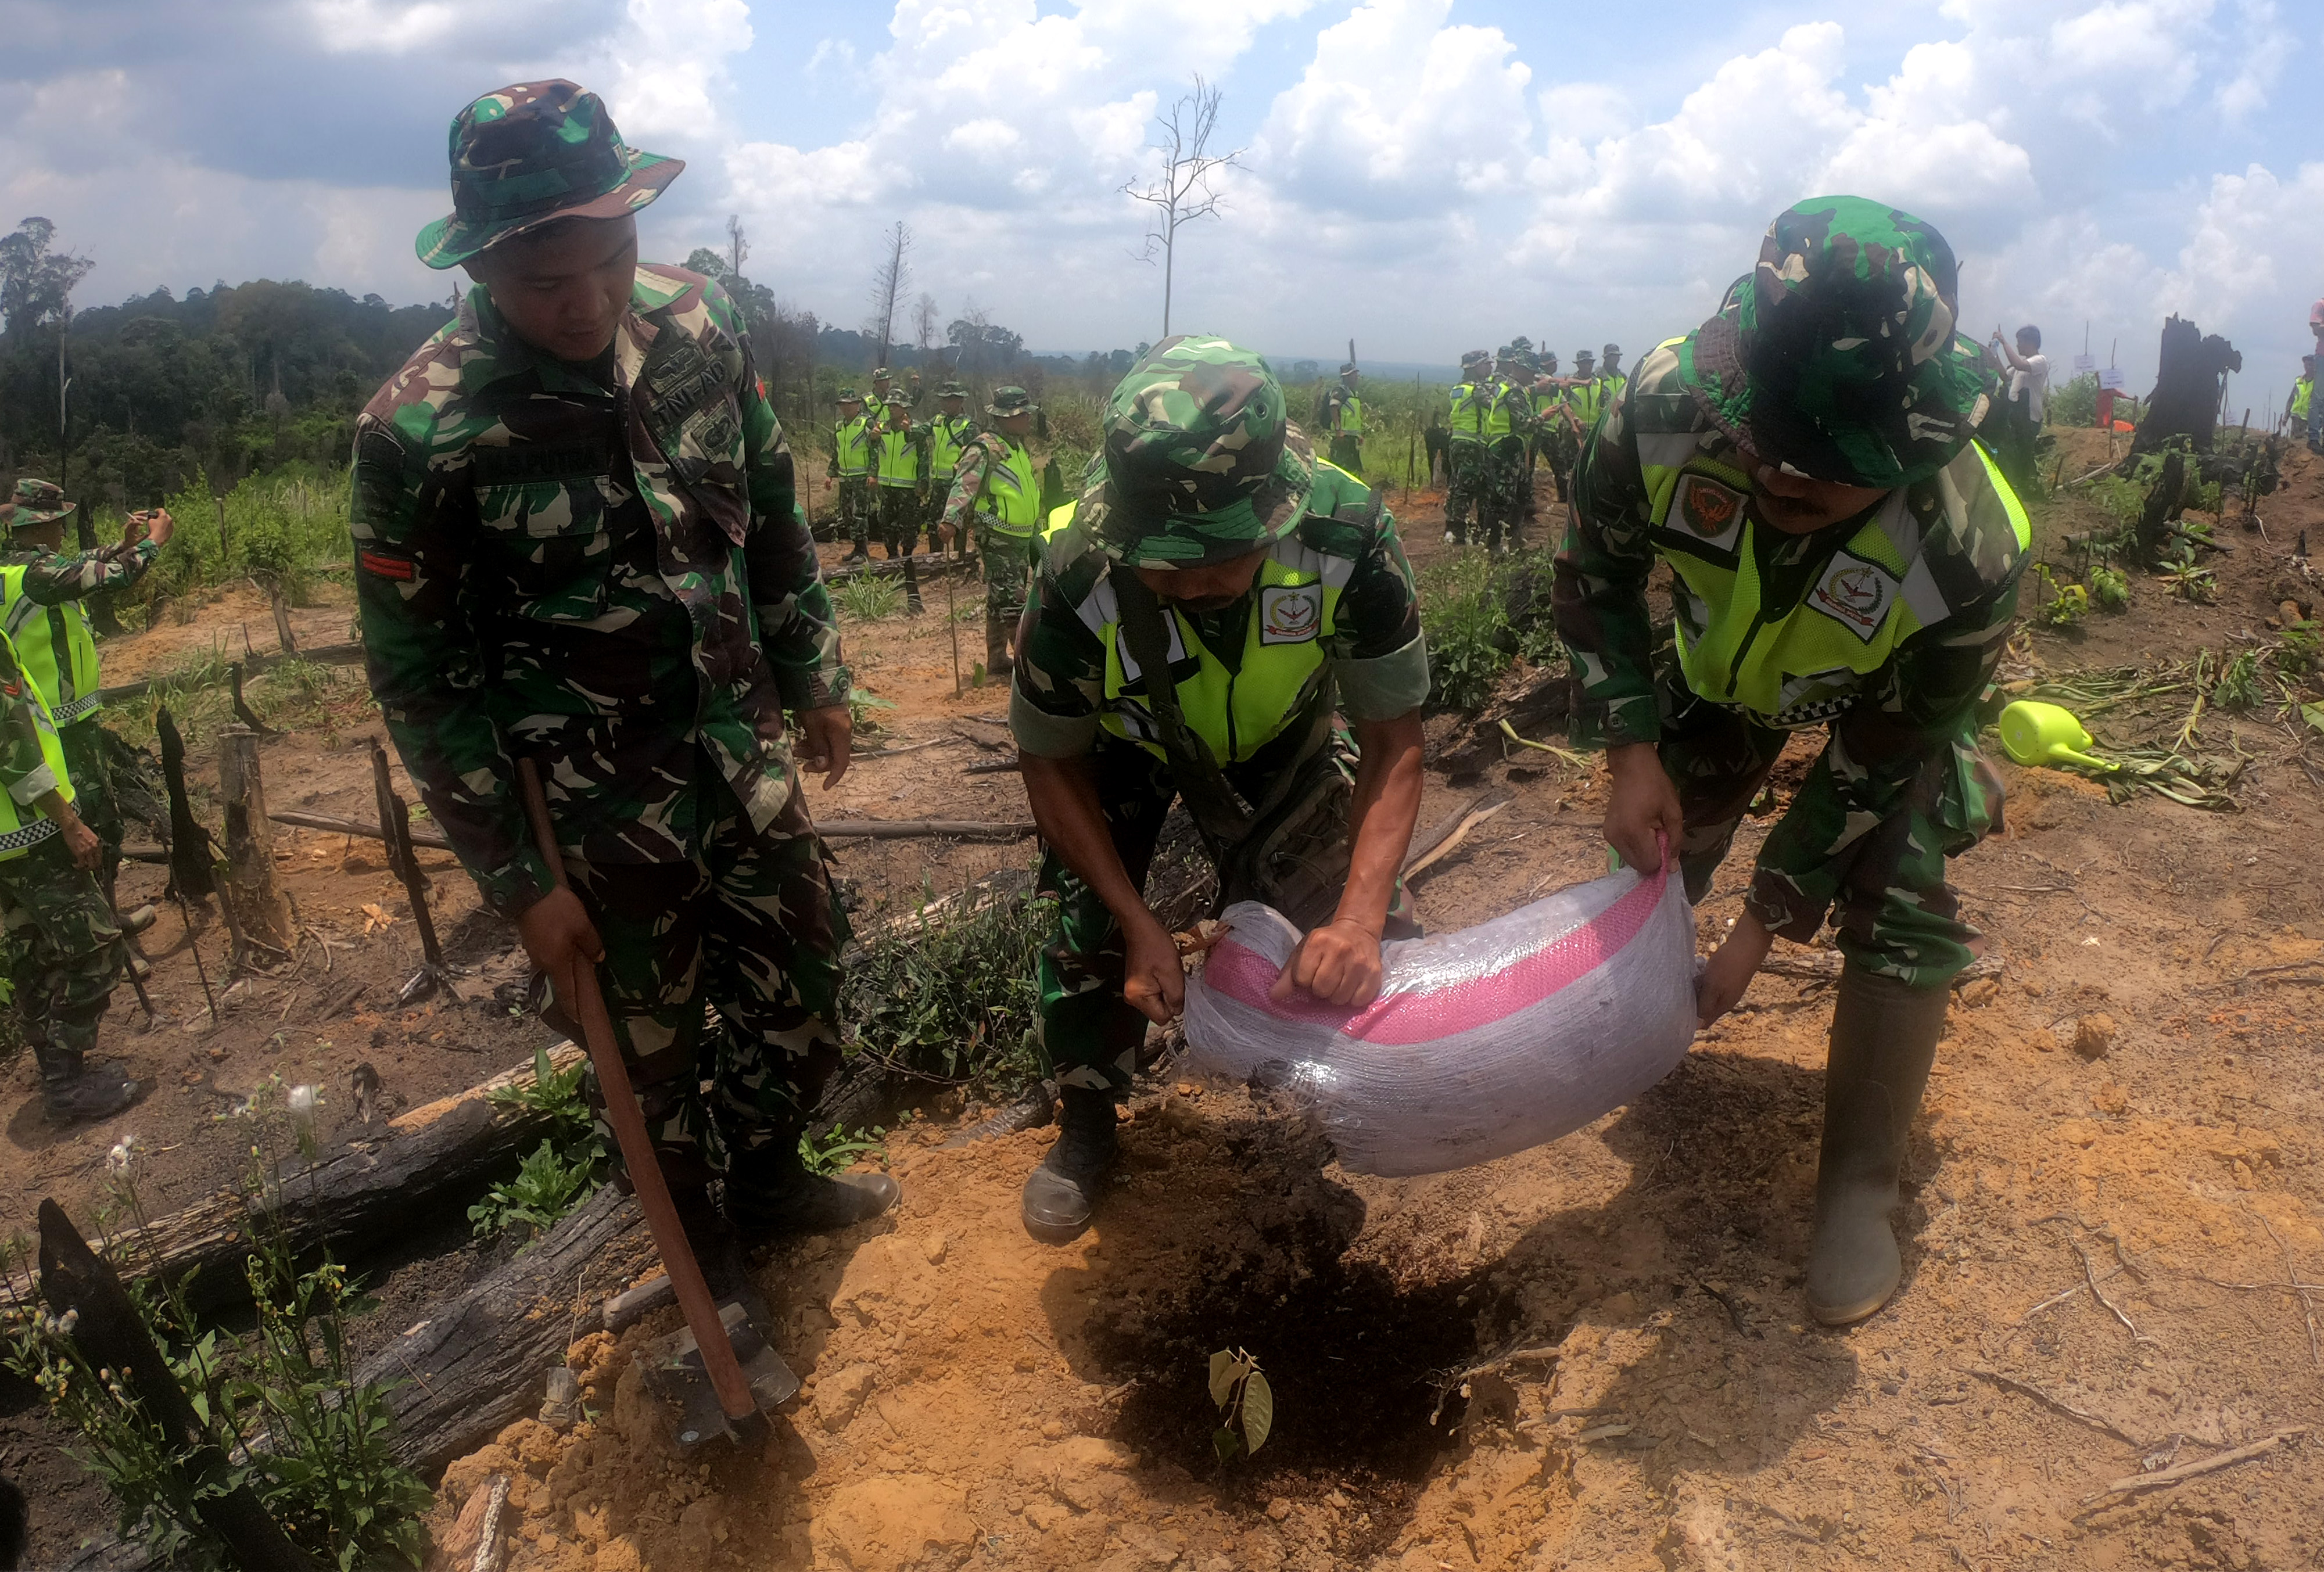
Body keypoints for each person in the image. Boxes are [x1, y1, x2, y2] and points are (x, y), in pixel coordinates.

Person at [353, 80, 897, 1273]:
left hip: (738, 755)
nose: (588, 301)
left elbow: (769, 504)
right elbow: (417, 677)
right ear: (482, 264)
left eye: (610, 259)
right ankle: (704, 1274)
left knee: (804, 985)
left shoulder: (699, 324)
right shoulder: (420, 431)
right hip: (592, 819)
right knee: (647, 1064)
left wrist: (812, 667)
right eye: (547, 281)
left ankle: (769, 1184)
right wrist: (518, 885)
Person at [1554, 195, 2027, 1327]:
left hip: (1877, 703)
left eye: (1826, 466)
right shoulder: (1661, 413)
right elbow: (1596, 575)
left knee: (1898, 883)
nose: (1778, 476)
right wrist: (1629, 749)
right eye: (1762, 440)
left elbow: (1878, 755)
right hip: (1718, 676)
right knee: (1656, 850)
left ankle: (1858, 1187)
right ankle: (1625, 1038)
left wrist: (1766, 921)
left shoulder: (1966, 550)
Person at [1009, 336, 1431, 1243]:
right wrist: (1136, 921)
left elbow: (1395, 737)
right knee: (1089, 935)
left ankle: (1334, 1107)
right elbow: (1049, 759)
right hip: (1125, 744)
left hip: (1283, 739)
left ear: (1277, 517)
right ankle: (1087, 1120)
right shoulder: (1079, 566)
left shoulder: (1347, 536)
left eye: (1221, 556)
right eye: (1167, 562)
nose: (1195, 582)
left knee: (1370, 935)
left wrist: (1358, 919)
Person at [0, 480, 172, 914]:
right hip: (63, 726)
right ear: (44, 525)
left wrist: (122, 544)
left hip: (33, 724)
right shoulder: (40, 576)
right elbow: (113, 576)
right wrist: (152, 543)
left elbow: (78, 563)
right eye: (60, 523)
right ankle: (102, 920)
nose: (64, 531)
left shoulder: (14, 570)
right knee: (96, 823)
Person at [0, 627, 138, 1122]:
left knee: (35, 954)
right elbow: (14, 749)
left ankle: (59, 1078)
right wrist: (69, 822)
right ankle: (65, 1083)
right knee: (99, 947)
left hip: (6, 843)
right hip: (31, 833)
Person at [939, 386, 1043, 677]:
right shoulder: (984, 448)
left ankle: (997, 658)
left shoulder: (1017, 448)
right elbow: (964, 484)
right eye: (1022, 414)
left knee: (1000, 597)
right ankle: (1028, 666)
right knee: (1012, 599)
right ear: (1006, 417)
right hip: (997, 537)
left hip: (1021, 536)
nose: (1027, 419)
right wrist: (951, 520)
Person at [872, 392, 929, 612]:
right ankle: (892, 557)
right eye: (890, 405)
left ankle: (907, 559)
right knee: (886, 523)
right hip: (887, 486)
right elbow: (874, 450)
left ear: (905, 407)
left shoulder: (916, 429)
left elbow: (924, 458)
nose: (891, 409)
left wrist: (923, 482)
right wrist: (873, 440)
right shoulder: (883, 427)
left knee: (909, 525)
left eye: (896, 405)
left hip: (908, 487)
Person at [1479, 349, 1536, 554]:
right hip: (1505, 448)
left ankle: (1514, 539)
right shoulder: (1513, 391)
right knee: (1501, 498)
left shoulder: (1514, 388)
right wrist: (1544, 417)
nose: (1533, 377)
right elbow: (1523, 423)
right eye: (1531, 372)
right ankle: (1493, 545)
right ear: (1521, 369)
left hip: (1513, 448)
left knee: (1522, 493)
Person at [1989, 324, 2049, 495]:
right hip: (2016, 413)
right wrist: (1995, 355)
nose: (2017, 346)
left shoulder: (2039, 361)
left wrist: (2003, 341)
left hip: (2030, 415)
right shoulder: (2018, 366)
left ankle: (2026, 486)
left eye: (2020, 342)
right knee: (2015, 450)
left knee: (2024, 451)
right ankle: (2020, 484)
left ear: (2030, 342)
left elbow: (2019, 364)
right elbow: (2004, 375)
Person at [1443, 350, 1493, 545]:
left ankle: (1452, 527)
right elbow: (1495, 405)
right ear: (1475, 367)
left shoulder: (1458, 388)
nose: (1490, 367)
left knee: (1457, 485)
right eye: (1486, 364)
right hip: (1473, 443)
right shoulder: (1477, 389)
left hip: (1457, 441)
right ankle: (1460, 534)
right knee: (1468, 488)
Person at [927, 382, 977, 562]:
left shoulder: (968, 425)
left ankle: (959, 561)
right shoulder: (938, 420)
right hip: (938, 482)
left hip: (957, 484)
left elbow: (974, 456)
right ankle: (934, 560)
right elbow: (920, 431)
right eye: (944, 400)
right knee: (934, 522)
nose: (946, 403)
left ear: (960, 401)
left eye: (950, 400)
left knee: (958, 524)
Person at [827, 390, 876, 564]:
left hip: (861, 477)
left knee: (860, 513)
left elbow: (875, 449)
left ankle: (862, 551)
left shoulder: (866, 423)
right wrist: (830, 474)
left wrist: (873, 474)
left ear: (857, 405)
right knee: (847, 514)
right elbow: (837, 452)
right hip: (844, 477)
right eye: (843, 405)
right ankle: (857, 547)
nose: (846, 408)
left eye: (849, 404)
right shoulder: (839, 426)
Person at [1317, 362, 1364, 475]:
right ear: (1346, 377)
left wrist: (1358, 435)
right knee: (1338, 469)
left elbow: (1353, 418)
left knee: (1353, 470)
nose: (1356, 377)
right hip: (1341, 437)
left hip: (1350, 437)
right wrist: (1338, 429)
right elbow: (1333, 408)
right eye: (1353, 375)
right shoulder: (1340, 391)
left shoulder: (1352, 393)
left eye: (1356, 375)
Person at [2308, 297, 2323, 453]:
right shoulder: (2321, 304)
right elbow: (2316, 328)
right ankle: (2313, 438)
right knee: (2318, 397)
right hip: (2323, 357)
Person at [2289, 356, 2314, 436]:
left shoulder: (2317, 383)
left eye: (2310, 365)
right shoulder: (2299, 381)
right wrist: (2286, 416)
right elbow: (2291, 399)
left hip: (2308, 418)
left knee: (2304, 441)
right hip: (2296, 416)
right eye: (2306, 365)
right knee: (2293, 441)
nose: (2308, 367)